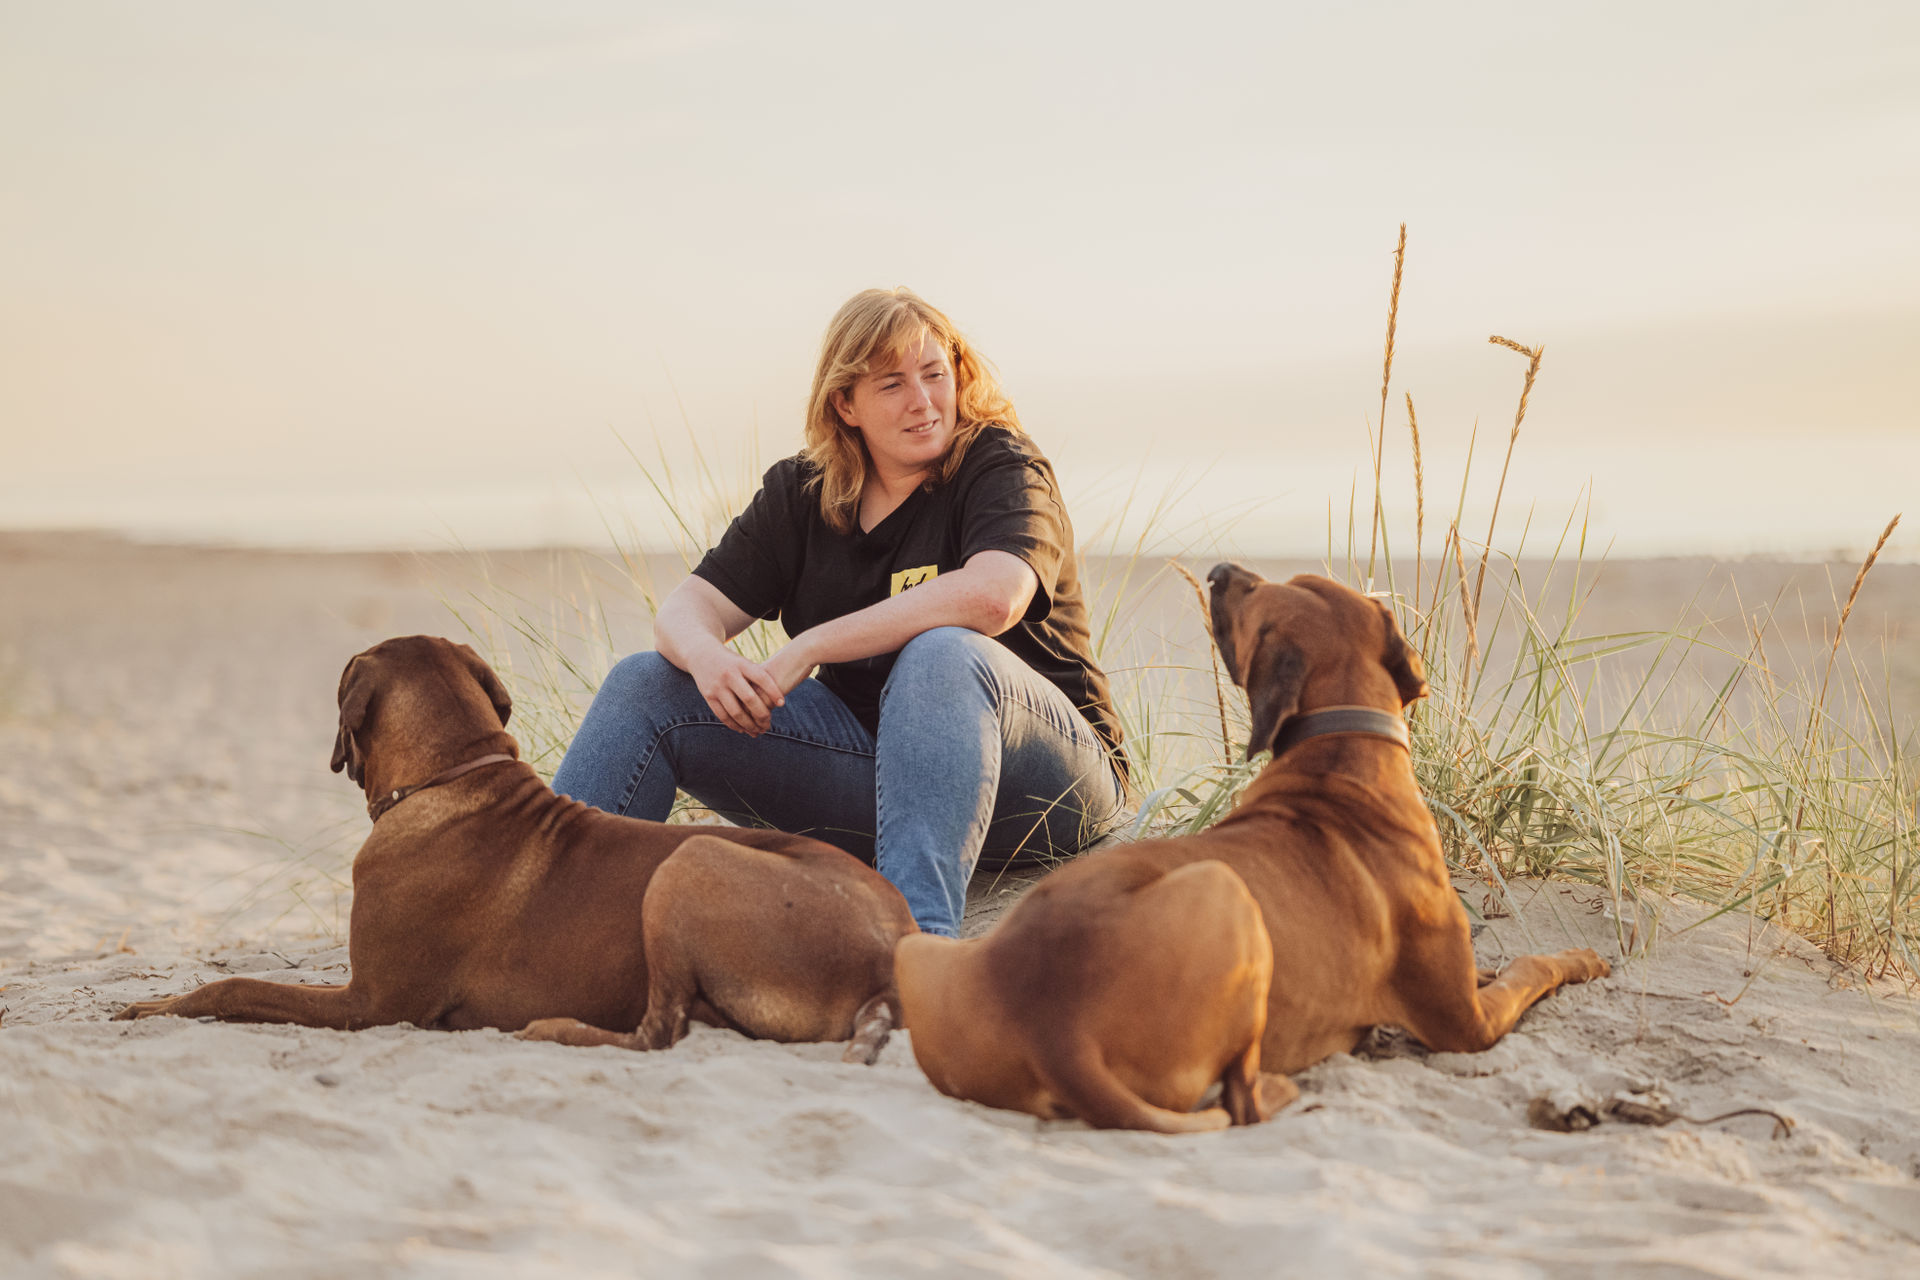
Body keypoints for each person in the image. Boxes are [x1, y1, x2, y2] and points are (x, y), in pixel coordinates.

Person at [552, 287, 1127, 937]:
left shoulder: (999, 462)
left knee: (940, 651)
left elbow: (995, 594)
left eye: (936, 374)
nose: (923, 400)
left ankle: (915, 948)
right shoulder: (802, 494)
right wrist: (710, 659)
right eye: (892, 384)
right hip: (883, 783)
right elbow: (686, 609)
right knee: (646, 682)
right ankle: (546, 924)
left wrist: (814, 644)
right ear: (844, 404)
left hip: (1050, 788)